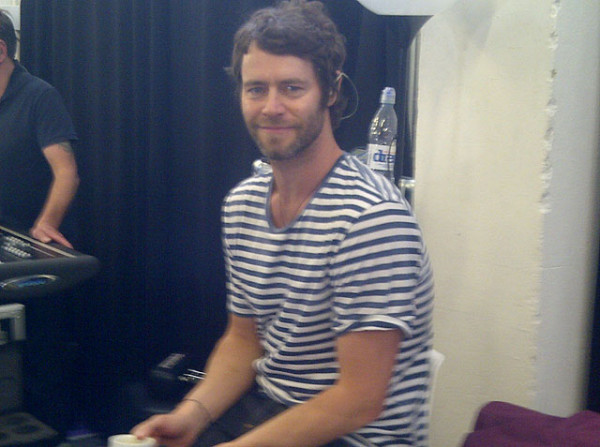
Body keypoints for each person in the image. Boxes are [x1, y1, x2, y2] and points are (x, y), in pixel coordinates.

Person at [133, 1, 434, 446]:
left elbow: (359, 400)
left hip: (355, 437)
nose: (271, 107)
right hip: (268, 409)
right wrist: (190, 415)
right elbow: (243, 341)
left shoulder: (371, 218)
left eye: (292, 88)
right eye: (256, 89)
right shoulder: (243, 204)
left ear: (330, 91)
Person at [0, 9, 79, 248]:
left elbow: (66, 173)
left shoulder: (40, 97)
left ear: (1, 51)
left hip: (21, 235)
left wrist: (47, 223)